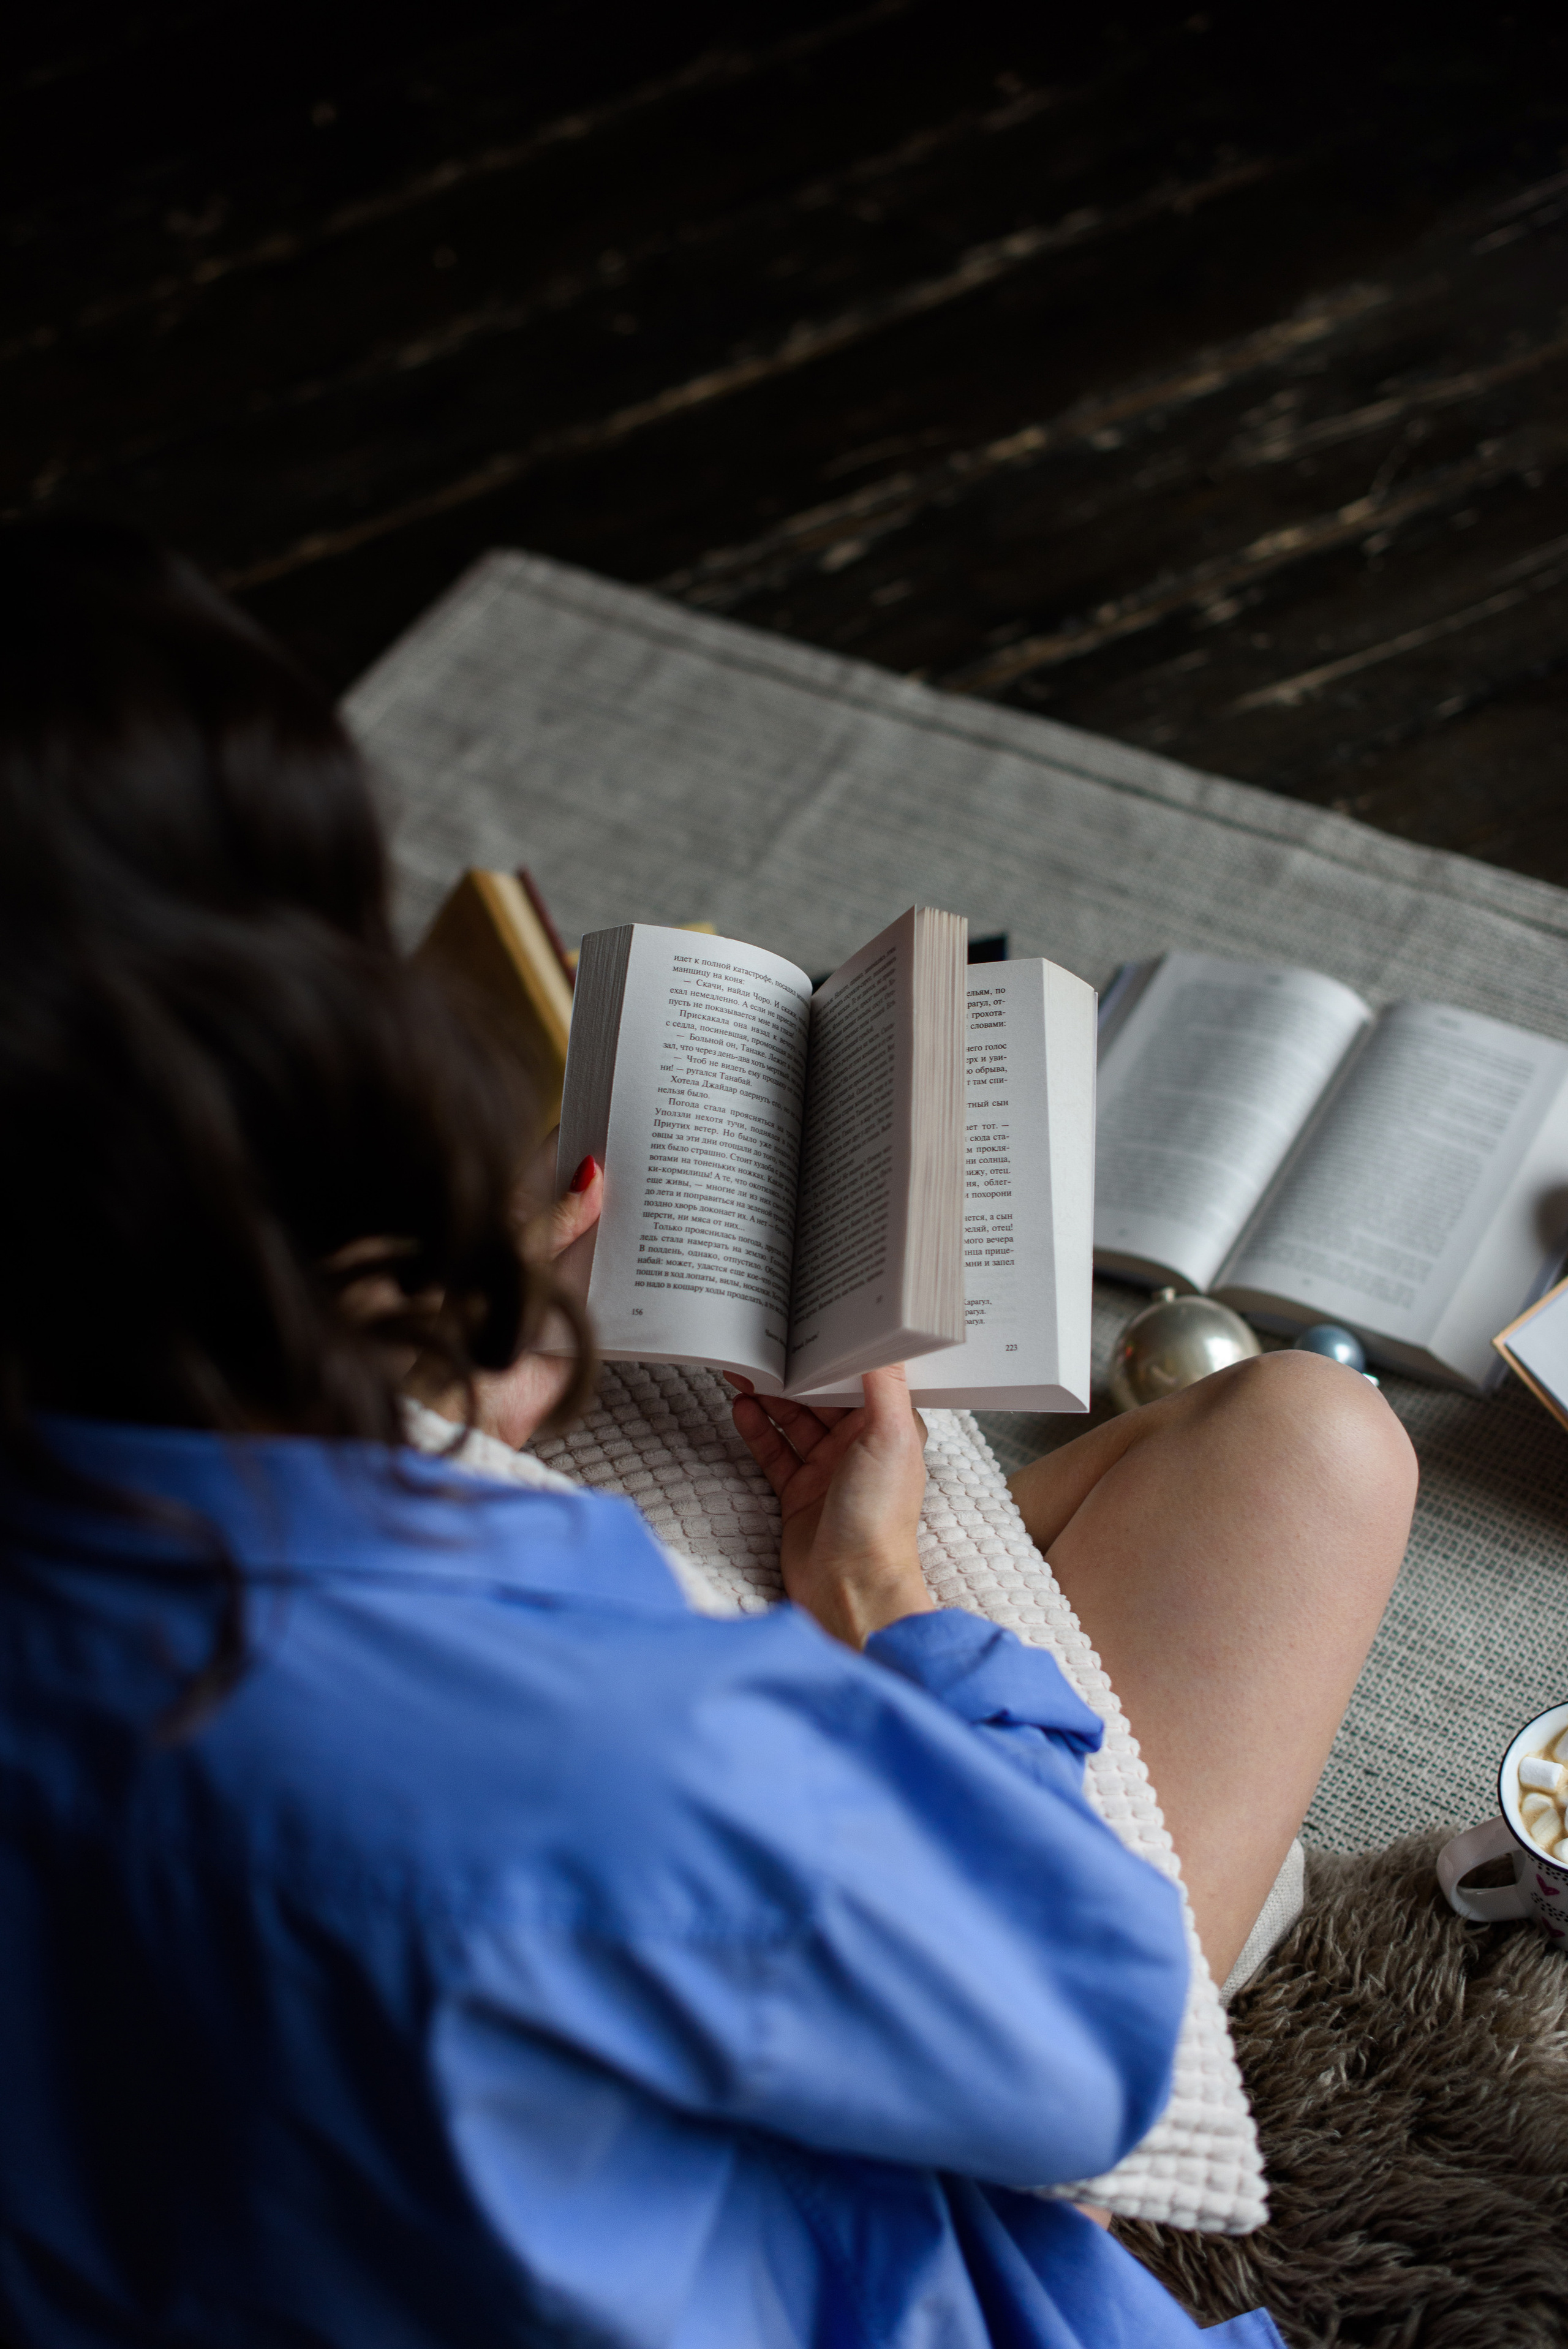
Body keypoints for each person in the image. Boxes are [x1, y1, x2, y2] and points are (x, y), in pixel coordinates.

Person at [0, 518, 1417, 2349]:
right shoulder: (556, 1730)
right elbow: (1099, 2050)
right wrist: (885, 1594)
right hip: (873, 2239)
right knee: (1313, 1455)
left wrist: (400, 1414)